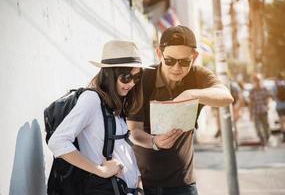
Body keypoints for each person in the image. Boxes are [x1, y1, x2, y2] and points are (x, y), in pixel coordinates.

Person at [127, 25, 233, 195]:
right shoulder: (144, 80)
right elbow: (134, 131)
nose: (177, 68)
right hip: (143, 183)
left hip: (183, 184)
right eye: (170, 60)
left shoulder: (197, 76)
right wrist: (155, 142)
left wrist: (191, 94)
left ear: (195, 57)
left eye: (185, 62)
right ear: (159, 54)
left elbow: (226, 97)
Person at [48, 40, 152, 194]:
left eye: (136, 78)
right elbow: (58, 141)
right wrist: (100, 170)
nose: (131, 84)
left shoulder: (115, 104)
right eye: (126, 77)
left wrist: (138, 185)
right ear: (111, 74)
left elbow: (122, 149)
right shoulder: (92, 99)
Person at [249, 73, 271, 148]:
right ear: (253, 81)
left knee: (266, 127)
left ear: (261, 80)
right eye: (255, 80)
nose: (257, 81)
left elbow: (269, 99)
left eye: (258, 80)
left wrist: (267, 106)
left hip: (264, 111)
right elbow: (251, 103)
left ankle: (267, 139)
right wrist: (250, 114)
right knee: (258, 128)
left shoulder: (265, 89)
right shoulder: (252, 91)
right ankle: (263, 141)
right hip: (256, 112)